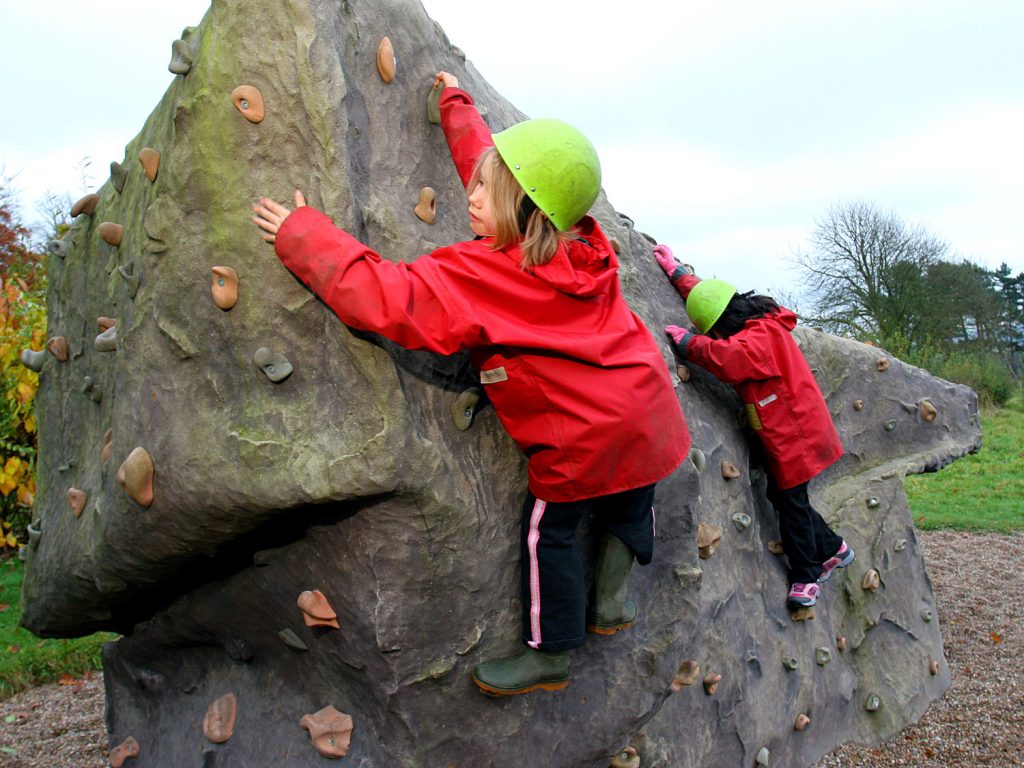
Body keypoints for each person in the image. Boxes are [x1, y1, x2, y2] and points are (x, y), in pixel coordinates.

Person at [252, 72, 691, 695]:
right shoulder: (585, 247)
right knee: (631, 500)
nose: (473, 195)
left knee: (550, 537)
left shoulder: (482, 274)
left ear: (521, 207)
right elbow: (507, 169)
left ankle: (550, 653)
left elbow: (386, 297)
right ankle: (614, 600)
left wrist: (302, 233)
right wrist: (455, 106)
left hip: (581, 441)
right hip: (649, 412)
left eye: (487, 189)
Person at [653, 244, 854, 611]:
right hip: (796, 426)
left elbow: (728, 357)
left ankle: (808, 575)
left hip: (794, 434)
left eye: (714, 330)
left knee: (791, 503)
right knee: (785, 497)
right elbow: (714, 299)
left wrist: (690, 343)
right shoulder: (760, 319)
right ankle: (833, 547)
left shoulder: (757, 341)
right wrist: (678, 274)